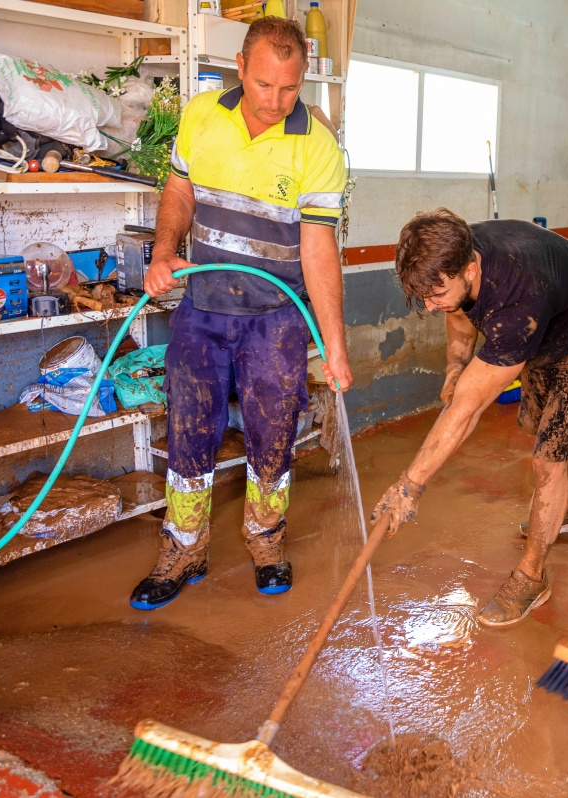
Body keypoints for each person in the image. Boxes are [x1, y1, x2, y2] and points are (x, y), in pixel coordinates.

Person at [130, 16, 351, 610]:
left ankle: (266, 540)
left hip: (275, 318)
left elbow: (318, 247)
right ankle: (184, 549)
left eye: (289, 88)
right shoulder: (202, 115)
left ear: (303, 79)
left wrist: (334, 345)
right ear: (240, 69)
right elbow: (180, 190)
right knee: (188, 432)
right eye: (263, 85)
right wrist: (165, 251)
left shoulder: (319, 147)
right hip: (201, 309)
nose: (275, 101)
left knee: (273, 437)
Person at [371, 210, 568, 628]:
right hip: (544, 335)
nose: (430, 305)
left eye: (436, 293)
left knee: (548, 458)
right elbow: (458, 311)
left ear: (470, 270)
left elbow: (467, 410)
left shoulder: (518, 301)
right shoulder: (456, 254)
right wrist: (456, 367)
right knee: (542, 428)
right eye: (423, 297)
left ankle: (532, 577)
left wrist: (410, 485)